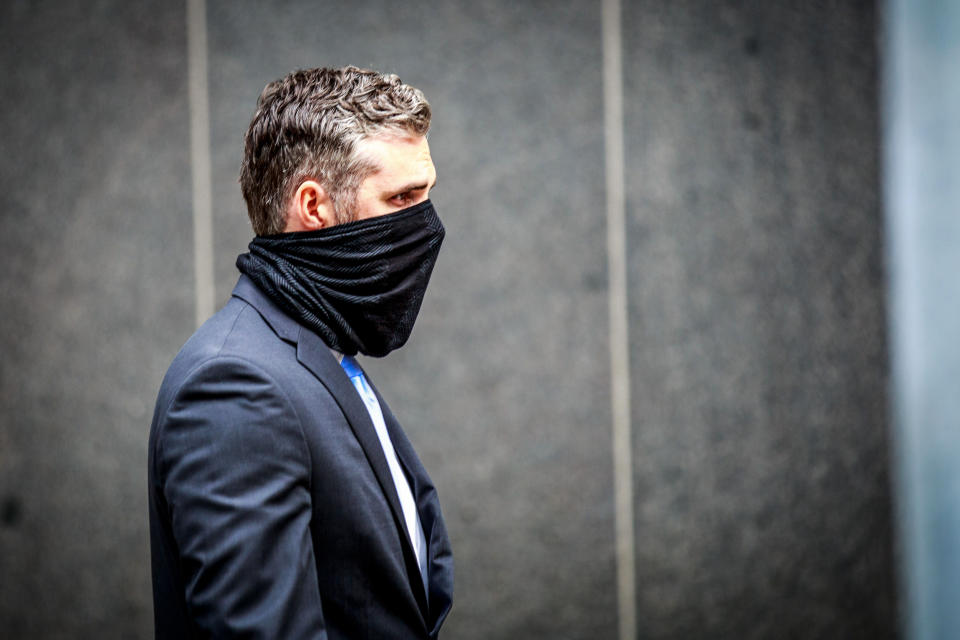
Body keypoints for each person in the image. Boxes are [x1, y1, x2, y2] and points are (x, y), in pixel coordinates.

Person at [147, 66, 453, 639]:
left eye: (427, 194)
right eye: (402, 198)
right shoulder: (234, 384)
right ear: (313, 206)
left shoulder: (319, 352)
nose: (426, 224)